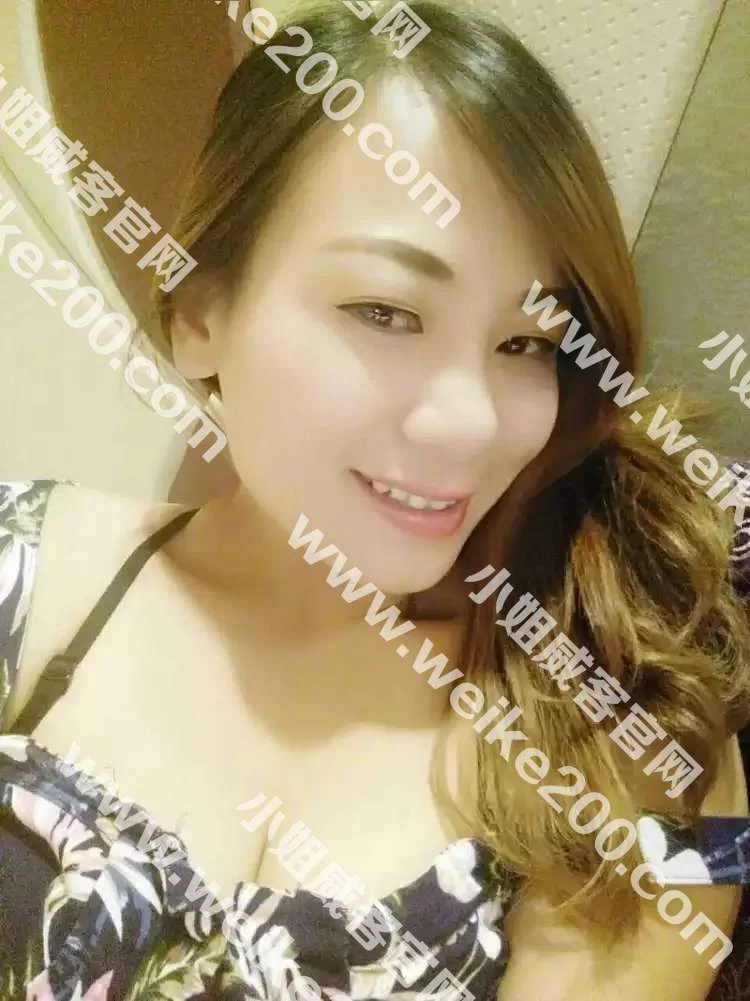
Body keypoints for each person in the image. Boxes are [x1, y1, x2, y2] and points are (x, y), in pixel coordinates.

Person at [1, 1, 750, 997]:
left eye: (525, 342)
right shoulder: (28, 568)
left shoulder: (636, 720)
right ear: (200, 315)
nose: (471, 421)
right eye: (387, 312)